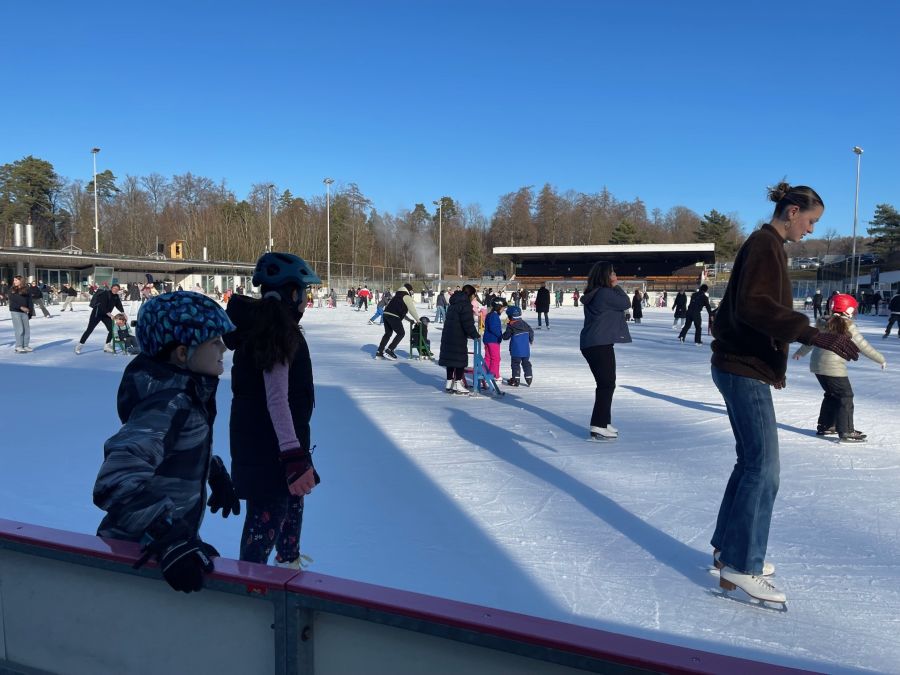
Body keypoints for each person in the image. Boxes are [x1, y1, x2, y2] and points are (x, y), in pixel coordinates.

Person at [709, 182, 859, 605]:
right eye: (810, 221)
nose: (810, 230)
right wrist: (811, 333)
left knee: (750, 464)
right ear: (792, 211)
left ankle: (727, 550)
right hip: (744, 369)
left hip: (741, 366)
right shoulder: (764, 244)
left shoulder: (766, 246)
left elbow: (747, 307)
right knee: (764, 470)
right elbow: (754, 306)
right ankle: (742, 566)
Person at [92, 291, 240, 593]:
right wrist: (170, 535)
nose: (223, 348)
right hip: (134, 554)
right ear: (183, 353)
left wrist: (212, 470)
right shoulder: (168, 404)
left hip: (159, 547)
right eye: (214, 341)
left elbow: (170, 446)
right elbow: (116, 479)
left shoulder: (185, 394)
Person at [225, 252, 321, 569]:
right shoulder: (276, 331)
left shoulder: (264, 328)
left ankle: (288, 568)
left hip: (273, 445)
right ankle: (251, 586)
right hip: (271, 451)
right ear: (290, 293)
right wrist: (292, 454)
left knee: (293, 504)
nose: (306, 301)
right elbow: (276, 396)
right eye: (304, 293)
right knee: (266, 521)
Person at [793, 293, 885, 443]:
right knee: (845, 396)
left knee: (831, 394)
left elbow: (811, 339)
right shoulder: (847, 326)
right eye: (853, 309)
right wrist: (880, 359)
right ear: (847, 310)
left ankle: (826, 426)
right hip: (833, 368)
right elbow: (863, 346)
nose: (854, 313)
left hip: (816, 366)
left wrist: (800, 353)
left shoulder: (824, 322)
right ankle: (847, 431)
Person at [580, 261, 631, 440]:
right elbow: (626, 302)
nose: (615, 275)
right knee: (606, 384)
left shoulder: (595, 292)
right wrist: (616, 287)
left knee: (607, 383)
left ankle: (604, 421)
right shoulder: (604, 293)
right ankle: (598, 424)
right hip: (598, 343)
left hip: (595, 342)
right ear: (605, 276)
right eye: (612, 273)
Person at [439, 284, 481, 394]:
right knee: (459, 360)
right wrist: (475, 335)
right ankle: (458, 384)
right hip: (458, 337)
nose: (473, 297)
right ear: (470, 294)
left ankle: (449, 384)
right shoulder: (465, 305)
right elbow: (468, 324)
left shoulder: (453, 303)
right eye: (473, 295)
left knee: (451, 360)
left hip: (448, 335)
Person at [75, 283, 124, 354]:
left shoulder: (116, 296)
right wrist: (110, 315)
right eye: (114, 288)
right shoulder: (105, 294)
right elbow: (102, 306)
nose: (115, 290)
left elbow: (119, 305)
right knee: (89, 329)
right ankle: (79, 345)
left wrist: (123, 313)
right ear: (111, 288)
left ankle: (107, 346)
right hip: (97, 313)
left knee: (113, 329)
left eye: (117, 289)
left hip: (105, 315)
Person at [377, 284, 420, 360]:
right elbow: (411, 309)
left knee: (388, 333)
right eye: (411, 291)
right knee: (401, 333)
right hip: (393, 316)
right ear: (408, 290)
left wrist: (409, 320)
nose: (412, 292)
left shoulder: (397, 296)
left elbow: (400, 310)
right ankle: (390, 350)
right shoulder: (406, 296)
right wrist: (418, 320)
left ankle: (379, 352)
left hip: (386, 314)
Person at [502, 305, 534, 386]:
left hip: (516, 350)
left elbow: (506, 336)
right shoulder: (525, 324)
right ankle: (529, 377)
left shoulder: (511, 325)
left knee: (515, 364)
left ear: (511, 316)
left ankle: (516, 379)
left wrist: (502, 335)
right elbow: (531, 331)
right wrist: (531, 339)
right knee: (526, 363)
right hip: (525, 350)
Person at [482, 298, 505, 391]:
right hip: (493, 340)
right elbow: (493, 328)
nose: (503, 310)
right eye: (503, 308)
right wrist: (500, 335)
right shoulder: (494, 316)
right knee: (495, 358)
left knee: (488, 358)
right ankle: (493, 375)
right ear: (498, 307)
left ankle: (483, 374)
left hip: (488, 339)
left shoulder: (490, 315)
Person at [9, 276, 34, 353]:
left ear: (21, 281)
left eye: (16, 280)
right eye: (14, 280)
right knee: (19, 329)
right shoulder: (12, 290)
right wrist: (21, 307)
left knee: (26, 330)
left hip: (25, 312)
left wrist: (30, 312)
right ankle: (18, 346)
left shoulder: (27, 290)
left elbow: (30, 301)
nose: (14, 281)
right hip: (15, 311)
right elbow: (12, 303)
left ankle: (25, 346)